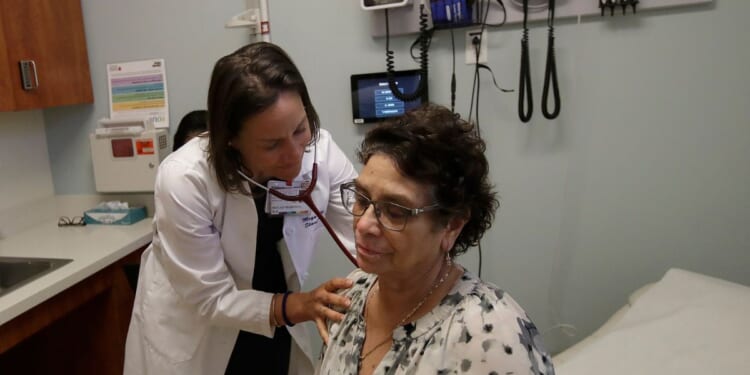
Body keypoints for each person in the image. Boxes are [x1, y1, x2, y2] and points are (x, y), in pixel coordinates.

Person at [124, 42, 357, 375]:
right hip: (198, 333)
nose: (294, 153)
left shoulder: (322, 153)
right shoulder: (184, 179)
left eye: (300, 129)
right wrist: (299, 306)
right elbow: (211, 299)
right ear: (229, 139)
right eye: (272, 144)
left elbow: (366, 229)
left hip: (278, 319)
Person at [317, 104, 555, 374]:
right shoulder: (353, 293)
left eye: (395, 212)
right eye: (361, 200)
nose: (364, 225)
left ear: (451, 226)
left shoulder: (489, 339)